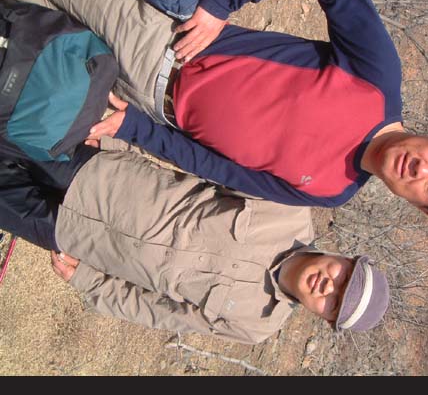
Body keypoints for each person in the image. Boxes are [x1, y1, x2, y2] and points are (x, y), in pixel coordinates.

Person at [0, 0, 428, 218]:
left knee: (17, 19)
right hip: (157, 36)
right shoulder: (379, 79)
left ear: (420, 206)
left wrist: (132, 128)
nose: (422, 170)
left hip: (136, 102)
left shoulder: (331, 193)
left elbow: (219, 168)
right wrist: (222, 3)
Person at [0, 135, 390, 344]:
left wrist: (89, 281)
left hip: (76, 238)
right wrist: (121, 138)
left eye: (334, 303)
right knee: (8, 130)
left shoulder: (256, 326)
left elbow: (160, 311)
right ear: (345, 258)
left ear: (324, 317)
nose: (328, 287)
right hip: (101, 173)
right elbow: (199, 162)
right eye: (343, 278)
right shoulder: (288, 210)